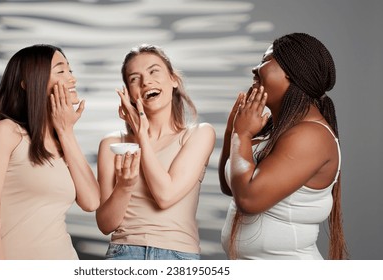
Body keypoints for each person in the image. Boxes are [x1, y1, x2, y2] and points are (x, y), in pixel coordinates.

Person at [218, 33, 348, 260]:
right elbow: (230, 187)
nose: (255, 69)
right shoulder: (275, 130)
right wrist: (234, 132)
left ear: (292, 71)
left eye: (265, 60)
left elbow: (248, 199)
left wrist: (242, 134)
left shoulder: (310, 135)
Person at [0, 44, 100, 260]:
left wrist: (66, 132)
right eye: (61, 71)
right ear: (29, 83)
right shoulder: (6, 133)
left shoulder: (62, 140)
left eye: (70, 70)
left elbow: (91, 201)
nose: (72, 79)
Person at [96, 44, 216, 260]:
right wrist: (124, 187)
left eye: (153, 71)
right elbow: (105, 224)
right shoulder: (113, 144)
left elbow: (165, 195)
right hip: (124, 254)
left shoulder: (199, 134)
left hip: (179, 257)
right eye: (134, 79)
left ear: (173, 80)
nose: (145, 82)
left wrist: (142, 136)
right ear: (130, 94)